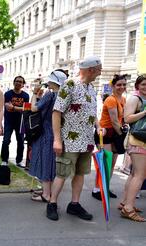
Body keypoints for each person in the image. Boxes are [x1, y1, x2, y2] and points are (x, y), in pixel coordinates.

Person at [46, 56, 104, 221]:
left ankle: (74, 204)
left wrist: (98, 126)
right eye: (99, 69)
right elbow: (56, 112)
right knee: (62, 174)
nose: (100, 72)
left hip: (86, 141)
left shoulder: (92, 88)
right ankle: (52, 203)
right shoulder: (70, 85)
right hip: (69, 141)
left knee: (80, 173)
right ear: (91, 69)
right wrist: (57, 140)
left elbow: (92, 112)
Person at [29, 70, 68, 202]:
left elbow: (34, 108)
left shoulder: (50, 95)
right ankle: (49, 191)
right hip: (58, 134)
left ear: (53, 82)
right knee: (52, 163)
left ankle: (46, 194)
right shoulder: (64, 95)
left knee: (45, 162)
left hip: (45, 132)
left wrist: (34, 93)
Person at [92, 74, 128, 201]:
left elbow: (122, 118)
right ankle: (97, 189)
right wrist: (123, 136)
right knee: (105, 163)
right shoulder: (111, 100)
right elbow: (114, 121)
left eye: (124, 84)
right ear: (113, 86)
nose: (122, 87)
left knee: (111, 164)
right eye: (119, 84)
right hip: (105, 134)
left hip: (115, 133)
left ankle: (104, 187)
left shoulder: (123, 99)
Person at [118, 75, 146, 222]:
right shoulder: (135, 98)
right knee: (140, 175)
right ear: (137, 85)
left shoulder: (142, 98)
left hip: (141, 141)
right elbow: (127, 118)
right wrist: (144, 112)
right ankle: (128, 208)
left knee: (134, 173)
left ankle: (125, 203)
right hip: (138, 141)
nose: (145, 87)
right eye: (143, 84)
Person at [1, 76, 30, 167]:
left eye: (20, 82)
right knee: (6, 141)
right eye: (17, 81)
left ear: (23, 84)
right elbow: (6, 106)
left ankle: (19, 161)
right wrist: (20, 108)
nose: (18, 83)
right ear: (14, 83)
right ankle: (4, 160)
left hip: (21, 122)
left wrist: (13, 107)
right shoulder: (7, 94)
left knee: (21, 142)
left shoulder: (26, 96)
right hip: (9, 121)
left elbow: (27, 109)